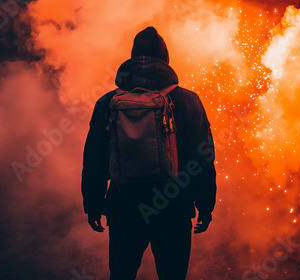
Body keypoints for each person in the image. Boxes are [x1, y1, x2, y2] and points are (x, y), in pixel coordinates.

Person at [81, 26, 217, 280]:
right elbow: (203, 158)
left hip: (124, 207)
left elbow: (94, 159)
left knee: (122, 275)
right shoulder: (187, 100)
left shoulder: (107, 102)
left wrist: (93, 204)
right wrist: (205, 205)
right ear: (165, 60)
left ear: (132, 58)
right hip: (173, 207)